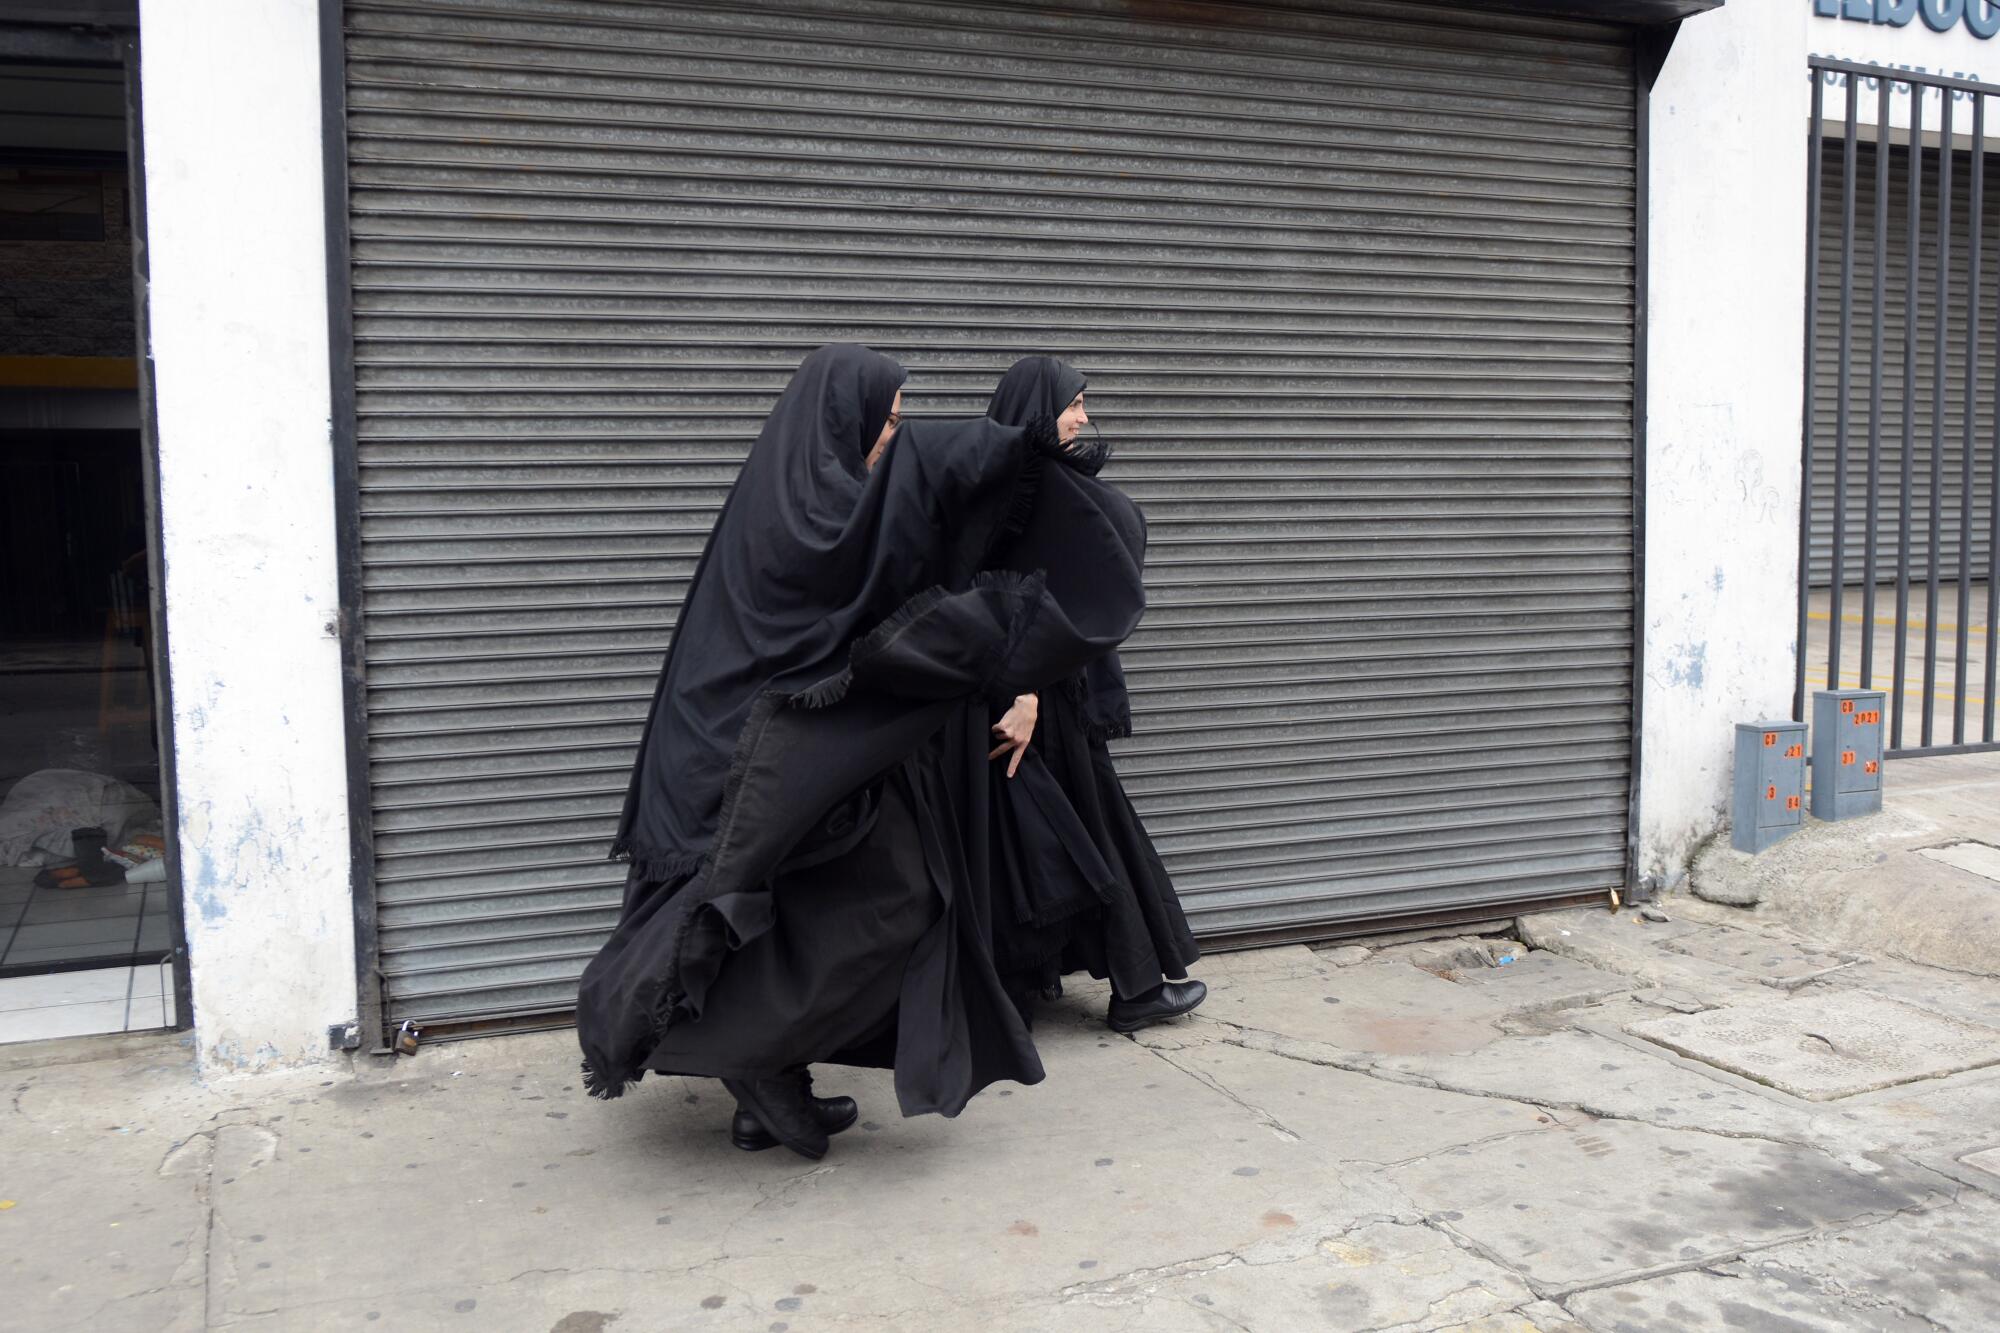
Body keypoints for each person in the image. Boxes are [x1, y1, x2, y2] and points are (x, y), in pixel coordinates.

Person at [575, 345, 1147, 1159]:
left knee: (804, 916)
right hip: (745, 765)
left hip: (782, 762)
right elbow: (871, 550)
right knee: (887, 901)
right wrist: (1007, 445)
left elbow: (892, 549)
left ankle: (769, 1084)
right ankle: (758, 1070)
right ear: (847, 421)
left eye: (897, 423)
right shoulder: (809, 512)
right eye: (889, 420)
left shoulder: (816, 497)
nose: (892, 436)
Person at [982, 356, 1205, 1034]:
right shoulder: (1020, 488)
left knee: (1057, 841)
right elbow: (1005, 592)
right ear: (1039, 408)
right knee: (1078, 841)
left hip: (1055, 697)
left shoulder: (1037, 480)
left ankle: (1046, 990)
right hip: (1034, 706)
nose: (1083, 416)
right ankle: (1131, 988)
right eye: (1073, 403)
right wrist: (1022, 690)